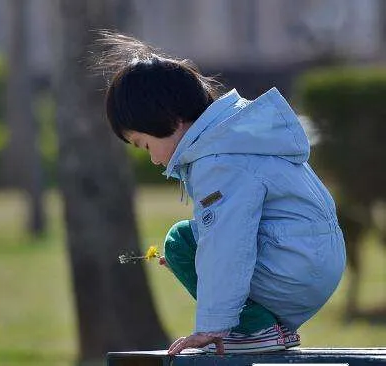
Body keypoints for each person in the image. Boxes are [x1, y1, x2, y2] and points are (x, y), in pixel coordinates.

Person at [97, 32, 346, 355]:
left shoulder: (219, 163)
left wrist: (211, 327)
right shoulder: (238, 139)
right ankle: (264, 329)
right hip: (311, 265)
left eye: (145, 145)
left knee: (180, 242)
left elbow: (227, 245)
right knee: (193, 241)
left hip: (294, 272)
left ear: (169, 118)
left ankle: (254, 331)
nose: (156, 159)